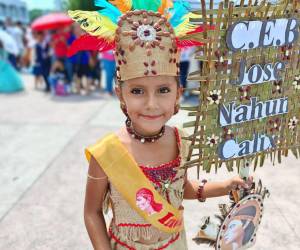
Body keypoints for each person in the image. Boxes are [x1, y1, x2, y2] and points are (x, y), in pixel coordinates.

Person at [68, 1, 253, 249]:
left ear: (179, 93)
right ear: (120, 94)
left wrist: (225, 186)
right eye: (137, 91)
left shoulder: (182, 140)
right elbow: (92, 213)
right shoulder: (106, 154)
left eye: (164, 90)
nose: (152, 104)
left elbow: (181, 187)